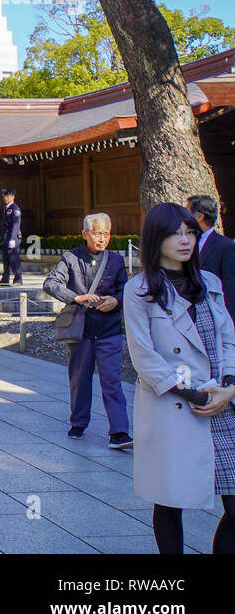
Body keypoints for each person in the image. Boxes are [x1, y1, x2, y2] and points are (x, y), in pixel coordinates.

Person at [124, 202, 235, 554]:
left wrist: (229, 386)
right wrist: (196, 396)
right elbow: (144, 355)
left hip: (223, 402)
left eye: (190, 233)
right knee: (170, 500)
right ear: (157, 239)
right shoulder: (140, 289)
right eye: (176, 234)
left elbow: (228, 337)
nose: (185, 241)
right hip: (176, 404)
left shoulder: (210, 282)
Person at [43, 213, 131, 449]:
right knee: (79, 379)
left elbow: (126, 290)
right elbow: (51, 283)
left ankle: (119, 431)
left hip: (109, 328)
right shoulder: (70, 258)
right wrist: (76, 297)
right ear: (85, 234)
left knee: (112, 380)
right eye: (97, 233)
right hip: (80, 330)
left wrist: (116, 300)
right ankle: (78, 423)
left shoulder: (115, 260)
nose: (102, 239)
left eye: (106, 234)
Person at [188, 194, 235, 324]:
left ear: (199, 217)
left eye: (188, 213)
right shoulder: (187, 242)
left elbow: (230, 287)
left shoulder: (224, 246)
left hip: (215, 316)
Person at [0, 188, 23, 285]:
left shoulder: (15, 208)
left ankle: (18, 279)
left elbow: (16, 224)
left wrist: (13, 238)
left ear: (13, 197)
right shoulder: (7, 208)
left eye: (7, 195)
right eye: (4, 195)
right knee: (6, 259)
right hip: (6, 237)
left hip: (12, 238)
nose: (5, 197)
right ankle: (5, 278)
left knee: (14, 259)